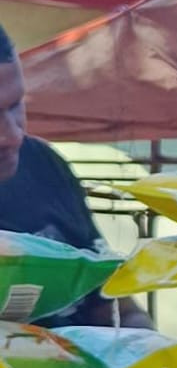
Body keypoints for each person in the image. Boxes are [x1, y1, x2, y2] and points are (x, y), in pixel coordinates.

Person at [0, 21, 152, 328]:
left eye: (15, 105)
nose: (11, 136)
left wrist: (151, 353)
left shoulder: (43, 164)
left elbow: (114, 306)